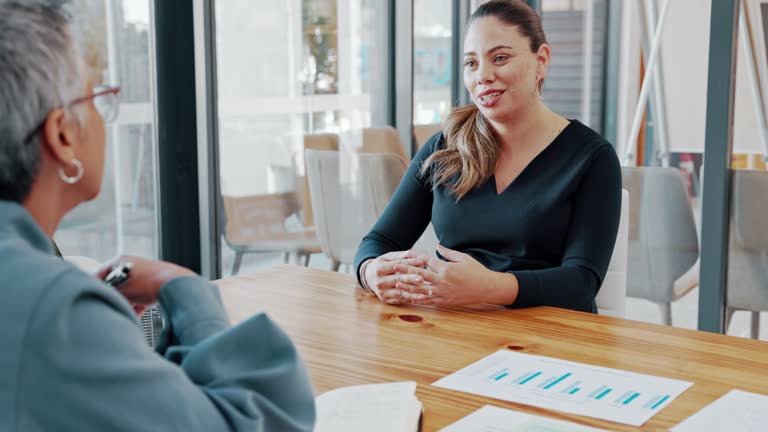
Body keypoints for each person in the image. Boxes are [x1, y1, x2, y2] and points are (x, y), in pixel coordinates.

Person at [0, 2, 314, 431]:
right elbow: (263, 420)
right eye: (97, 97)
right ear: (61, 135)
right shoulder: (51, 311)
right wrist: (181, 285)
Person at [354, 0, 621, 314]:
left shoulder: (592, 158)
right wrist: (370, 272)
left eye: (501, 58)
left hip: (550, 335)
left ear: (541, 61)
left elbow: (582, 282)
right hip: (455, 328)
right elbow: (379, 239)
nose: (483, 76)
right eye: (471, 63)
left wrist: (490, 287)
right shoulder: (444, 147)